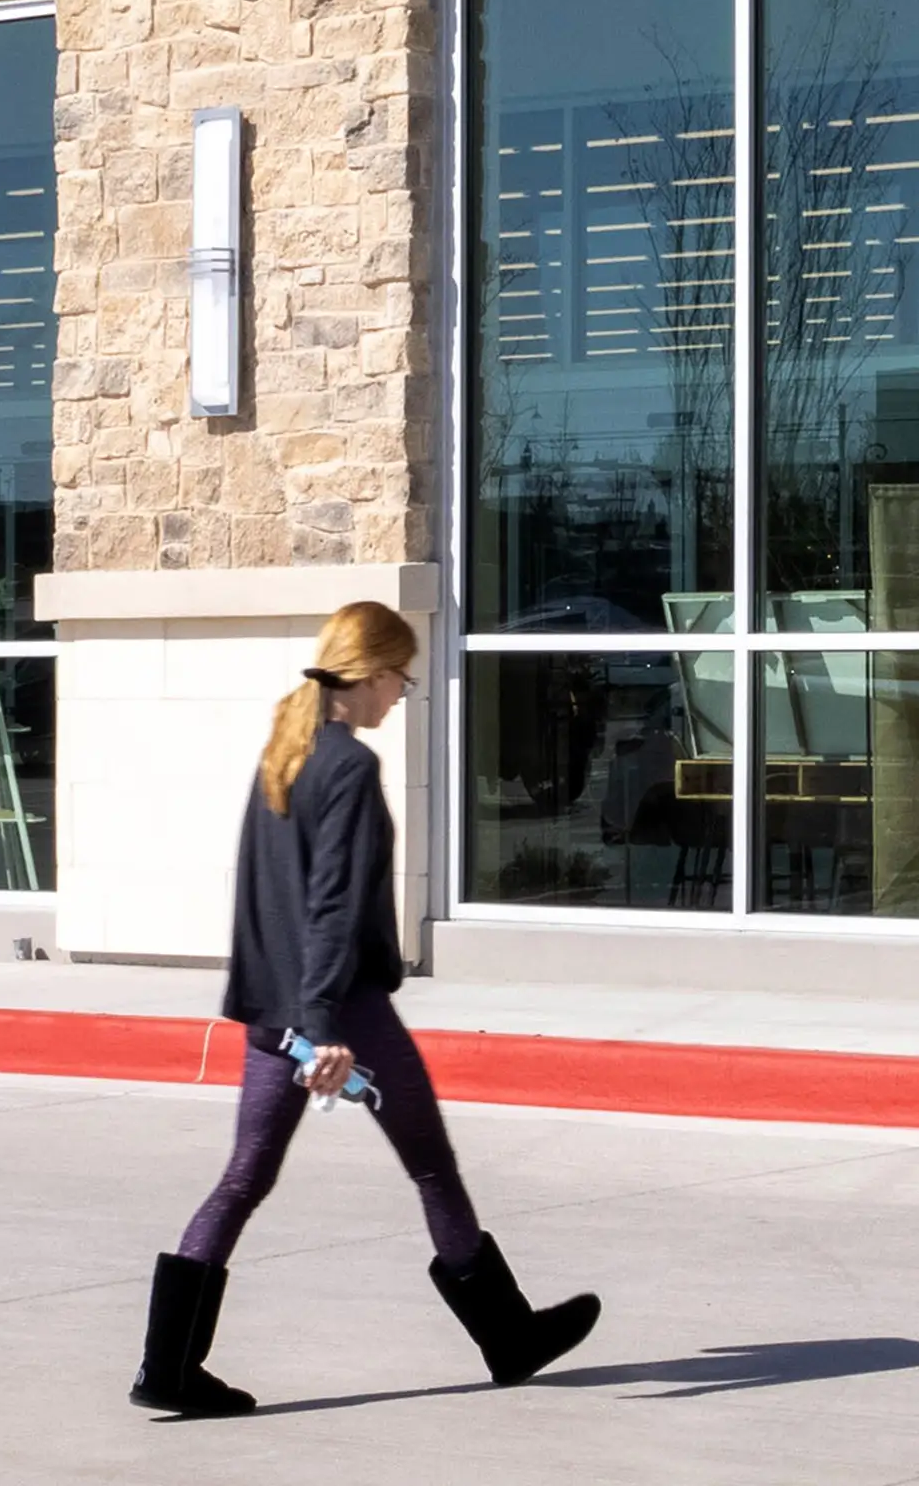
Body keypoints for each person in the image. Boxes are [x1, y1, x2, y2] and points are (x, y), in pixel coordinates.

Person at [133, 600, 597, 1417]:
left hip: (274, 1010)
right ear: (374, 672)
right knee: (431, 1167)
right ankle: (510, 1338)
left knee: (243, 1178)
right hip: (338, 1011)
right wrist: (322, 1030)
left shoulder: (286, 747)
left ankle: (167, 1369)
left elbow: (258, 900)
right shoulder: (345, 764)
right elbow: (331, 905)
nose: (401, 697)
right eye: (402, 680)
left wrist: (277, 1015)